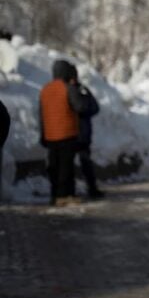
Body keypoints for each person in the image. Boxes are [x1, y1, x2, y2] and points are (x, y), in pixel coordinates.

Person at [39, 59, 88, 206]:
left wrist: (43, 134)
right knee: (66, 167)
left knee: (54, 166)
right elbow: (80, 107)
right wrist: (81, 93)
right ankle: (65, 195)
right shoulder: (68, 88)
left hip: (50, 134)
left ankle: (54, 195)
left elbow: (41, 114)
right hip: (67, 133)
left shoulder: (45, 90)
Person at [69, 65, 104, 199]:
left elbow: (95, 107)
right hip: (70, 133)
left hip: (83, 133)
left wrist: (83, 111)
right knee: (69, 164)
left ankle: (92, 188)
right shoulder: (67, 90)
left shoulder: (82, 90)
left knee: (86, 162)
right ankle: (70, 191)